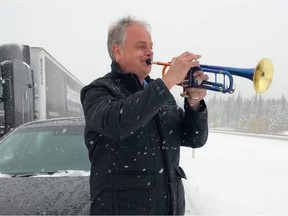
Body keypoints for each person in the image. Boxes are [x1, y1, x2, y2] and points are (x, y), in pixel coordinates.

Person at [80, 15, 209, 215]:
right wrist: (169, 81)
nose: (149, 51)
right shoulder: (98, 91)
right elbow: (118, 123)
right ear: (117, 51)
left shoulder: (161, 96)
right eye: (141, 46)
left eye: (150, 46)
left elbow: (194, 138)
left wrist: (194, 102)